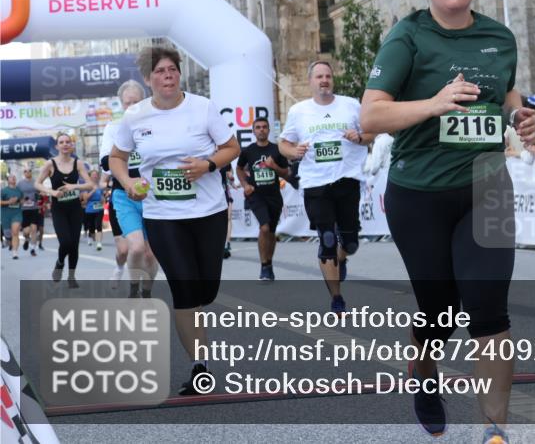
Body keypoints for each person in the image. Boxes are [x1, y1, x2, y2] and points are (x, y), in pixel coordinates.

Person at [361, 0, 535, 444]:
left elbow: (505, 95)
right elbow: (371, 114)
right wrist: (434, 103)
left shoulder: (500, 37)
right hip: (419, 193)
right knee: (438, 309)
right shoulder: (407, 38)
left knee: (488, 307)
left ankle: (495, 431)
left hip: (486, 185)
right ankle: (423, 369)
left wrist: (521, 118)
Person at [110, 45, 240, 395]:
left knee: (205, 290)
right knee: (184, 289)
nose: (167, 76)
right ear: (148, 79)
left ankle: (197, 312)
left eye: (172, 70)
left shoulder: (202, 108)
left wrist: (207, 165)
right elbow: (117, 157)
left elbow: (232, 147)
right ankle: (201, 368)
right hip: (163, 215)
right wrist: (128, 183)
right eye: (160, 72)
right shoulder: (135, 116)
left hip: (208, 213)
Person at [279, 60, 373, 312]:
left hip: (347, 180)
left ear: (333, 79)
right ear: (310, 81)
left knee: (350, 243)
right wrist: (294, 151)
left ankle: (341, 259)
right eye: (319, 76)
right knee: (327, 238)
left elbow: (372, 132)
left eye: (328, 76)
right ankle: (337, 298)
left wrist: (361, 137)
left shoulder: (351, 105)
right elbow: (283, 144)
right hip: (315, 183)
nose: (324, 80)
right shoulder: (299, 111)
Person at [100, 79, 158, 295]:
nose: (132, 106)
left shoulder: (156, 125)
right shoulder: (114, 127)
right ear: (121, 104)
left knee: (152, 254)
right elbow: (106, 162)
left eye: (137, 101)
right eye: (127, 103)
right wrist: (126, 176)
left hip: (153, 195)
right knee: (135, 247)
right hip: (124, 194)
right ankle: (134, 288)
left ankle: (147, 290)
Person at [35, 133, 94, 283]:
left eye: (68, 142)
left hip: (75, 208)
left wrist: (74, 186)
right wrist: (52, 192)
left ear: (72, 145)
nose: (65, 144)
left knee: (74, 245)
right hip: (59, 209)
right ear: (57, 146)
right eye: (62, 142)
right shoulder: (50, 164)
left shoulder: (78, 163)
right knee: (66, 242)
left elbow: (90, 184)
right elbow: (37, 183)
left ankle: (71, 277)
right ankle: (60, 263)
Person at [237, 117, 290, 281]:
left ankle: (269, 264)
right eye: (258, 127)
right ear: (253, 131)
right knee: (264, 228)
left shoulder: (277, 150)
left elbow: (286, 172)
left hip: (274, 196)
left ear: (268, 130)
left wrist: (274, 167)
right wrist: (245, 184)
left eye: (264, 127)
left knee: (272, 232)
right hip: (256, 195)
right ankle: (263, 265)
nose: (261, 130)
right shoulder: (248, 151)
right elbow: (239, 168)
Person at [16, 167, 41, 256]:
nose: (27, 172)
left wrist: (38, 196)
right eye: (25, 171)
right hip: (24, 210)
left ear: (31, 172)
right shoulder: (20, 184)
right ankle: (26, 239)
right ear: (23, 173)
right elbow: (17, 195)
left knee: (34, 229)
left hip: (34, 208)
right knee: (26, 231)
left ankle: (33, 249)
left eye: (29, 171)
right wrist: (22, 200)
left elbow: (40, 192)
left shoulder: (36, 182)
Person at [81, 171, 104, 250]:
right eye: (93, 175)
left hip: (99, 208)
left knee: (98, 225)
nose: (95, 176)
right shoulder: (86, 186)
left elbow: (102, 199)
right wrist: (93, 190)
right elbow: (85, 198)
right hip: (90, 209)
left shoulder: (100, 186)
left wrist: (102, 198)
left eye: (96, 175)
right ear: (89, 176)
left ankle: (99, 243)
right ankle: (90, 236)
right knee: (91, 227)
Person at [2, 174, 23, 260]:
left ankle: (15, 252)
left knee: (15, 232)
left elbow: (22, 200)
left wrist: (19, 201)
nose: (13, 178)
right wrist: (9, 202)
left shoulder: (19, 190)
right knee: (7, 233)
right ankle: (8, 239)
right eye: (11, 177)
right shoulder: (3, 191)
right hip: (5, 215)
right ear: (8, 180)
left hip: (17, 213)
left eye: (15, 177)